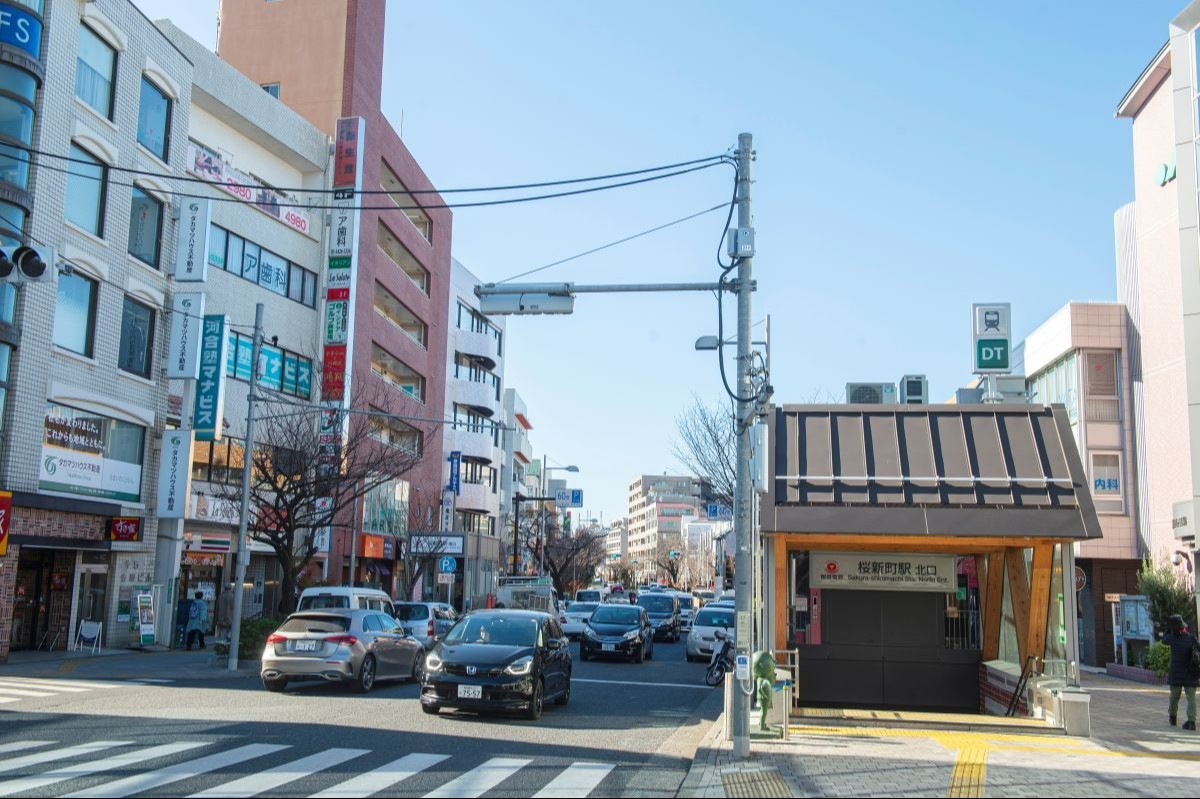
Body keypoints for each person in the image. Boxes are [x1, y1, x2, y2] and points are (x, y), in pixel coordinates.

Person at [1164, 614, 1199, 730]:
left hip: (1176, 673)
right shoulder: (1191, 638)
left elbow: (1164, 640)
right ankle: (1192, 722)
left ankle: (1172, 717)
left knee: (1174, 696)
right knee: (1191, 697)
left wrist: (1169, 630)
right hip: (1191, 672)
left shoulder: (1171, 639)